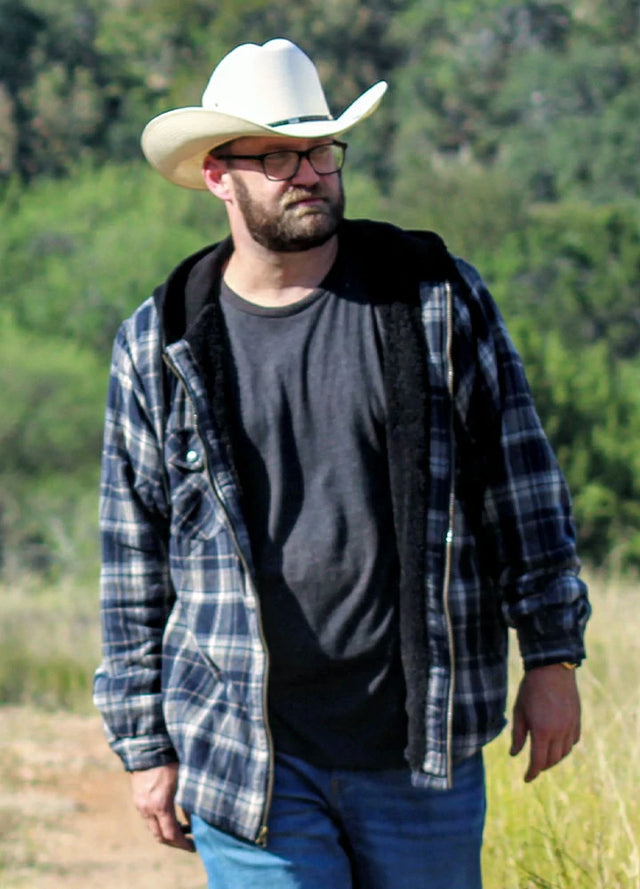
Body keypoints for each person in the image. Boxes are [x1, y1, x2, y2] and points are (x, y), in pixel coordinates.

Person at [94, 37, 591, 889]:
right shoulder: (161, 341)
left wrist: (551, 655)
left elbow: (523, 483)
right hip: (250, 753)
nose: (312, 173)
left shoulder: (433, 298)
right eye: (280, 157)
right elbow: (133, 560)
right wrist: (145, 742)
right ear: (219, 174)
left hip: (417, 748)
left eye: (322, 149)